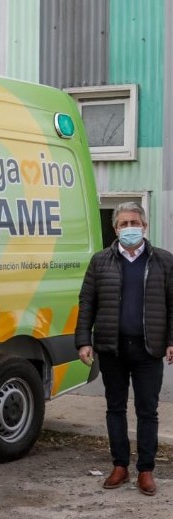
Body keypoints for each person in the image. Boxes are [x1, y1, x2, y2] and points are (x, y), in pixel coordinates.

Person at [75, 201, 173, 496]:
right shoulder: (100, 261)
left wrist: (171, 340)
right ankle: (120, 465)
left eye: (135, 222)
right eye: (123, 224)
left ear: (145, 226)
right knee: (114, 408)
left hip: (148, 348)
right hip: (112, 347)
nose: (129, 228)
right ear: (115, 228)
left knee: (148, 410)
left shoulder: (164, 261)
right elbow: (86, 302)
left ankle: (146, 470)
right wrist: (83, 340)